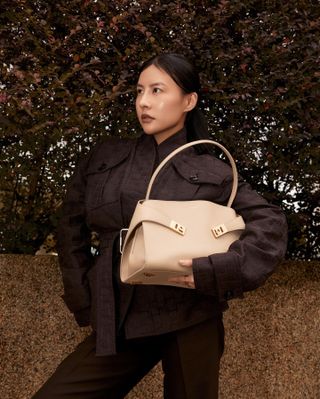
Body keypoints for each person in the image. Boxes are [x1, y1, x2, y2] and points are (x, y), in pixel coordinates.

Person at [33, 53, 287, 399]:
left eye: (156, 91)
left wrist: (215, 270)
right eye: (139, 92)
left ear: (189, 101)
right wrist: (86, 299)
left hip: (191, 315)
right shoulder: (105, 158)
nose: (144, 102)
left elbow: (270, 223)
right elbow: (70, 229)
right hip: (119, 317)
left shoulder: (213, 170)